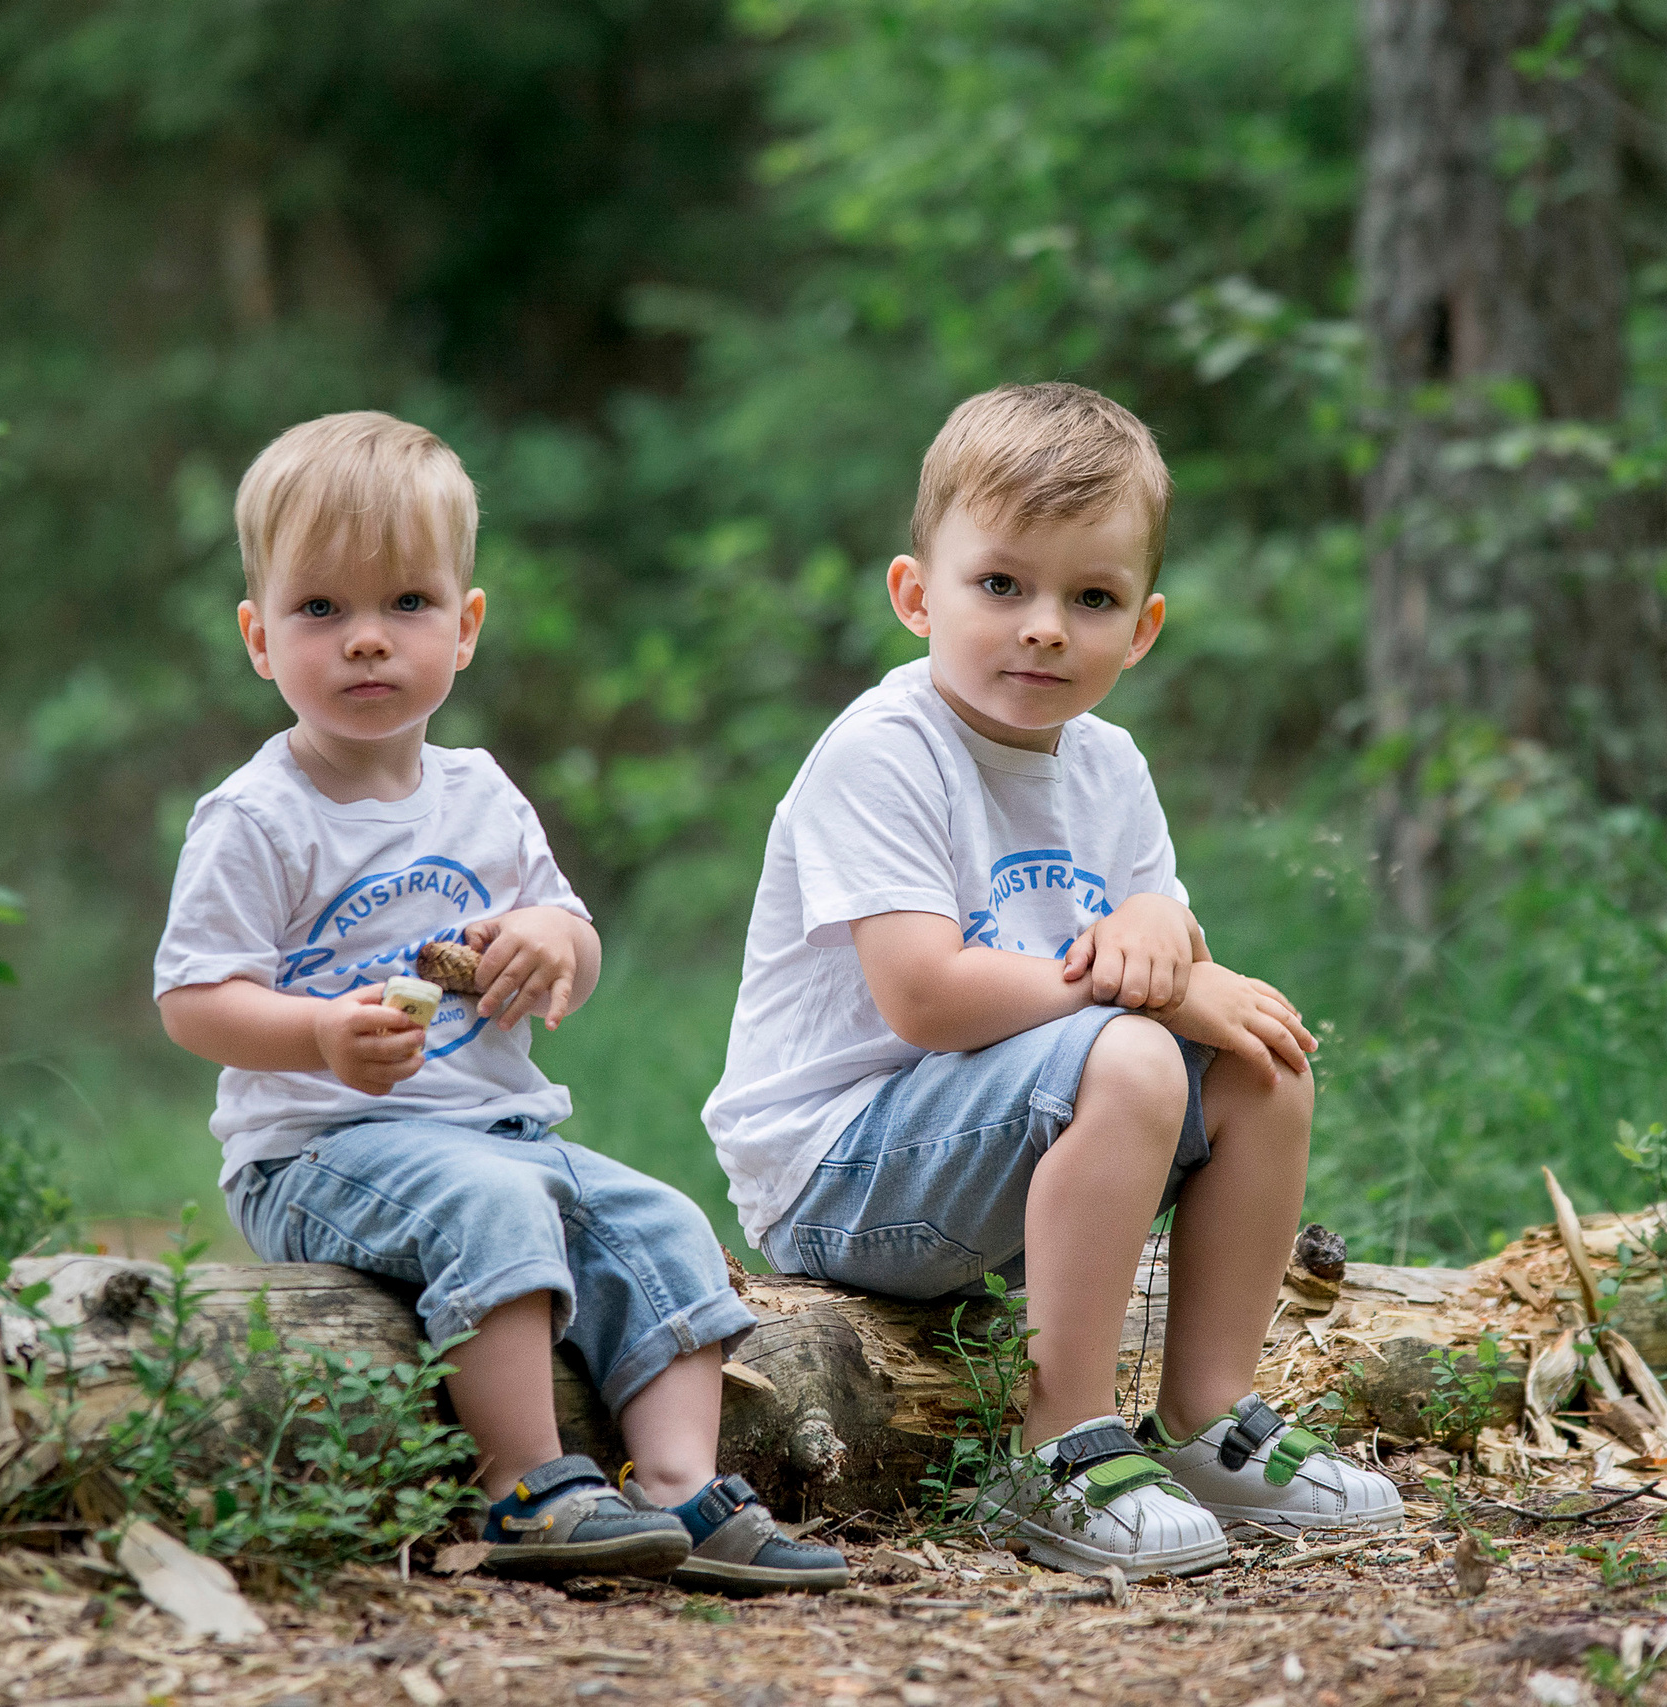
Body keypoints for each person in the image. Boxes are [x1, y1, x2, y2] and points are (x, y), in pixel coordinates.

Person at [702, 383, 1400, 1577]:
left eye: (1091, 598)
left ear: (1143, 626)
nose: (1043, 628)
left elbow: (1164, 951)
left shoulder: (1108, 765)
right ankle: (1057, 1447)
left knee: (1260, 1064)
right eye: (1000, 586)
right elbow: (923, 999)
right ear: (915, 594)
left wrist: (1157, 930)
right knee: (1135, 1050)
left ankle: (1203, 1421)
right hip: (841, 1168)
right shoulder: (885, 753)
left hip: (1000, 1146)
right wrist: (1154, 985)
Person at [154, 411, 843, 1594]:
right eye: (321, 610)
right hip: (317, 1152)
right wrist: (316, 1034)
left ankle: (679, 1488)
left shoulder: (480, 792)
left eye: (408, 605)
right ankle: (524, 1483)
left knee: (665, 1226)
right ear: (258, 637)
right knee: (492, 1210)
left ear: (464, 629)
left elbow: (571, 939)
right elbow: (194, 1000)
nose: (367, 641)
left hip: (504, 1134)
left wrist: (549, 941)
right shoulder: (257, 815)